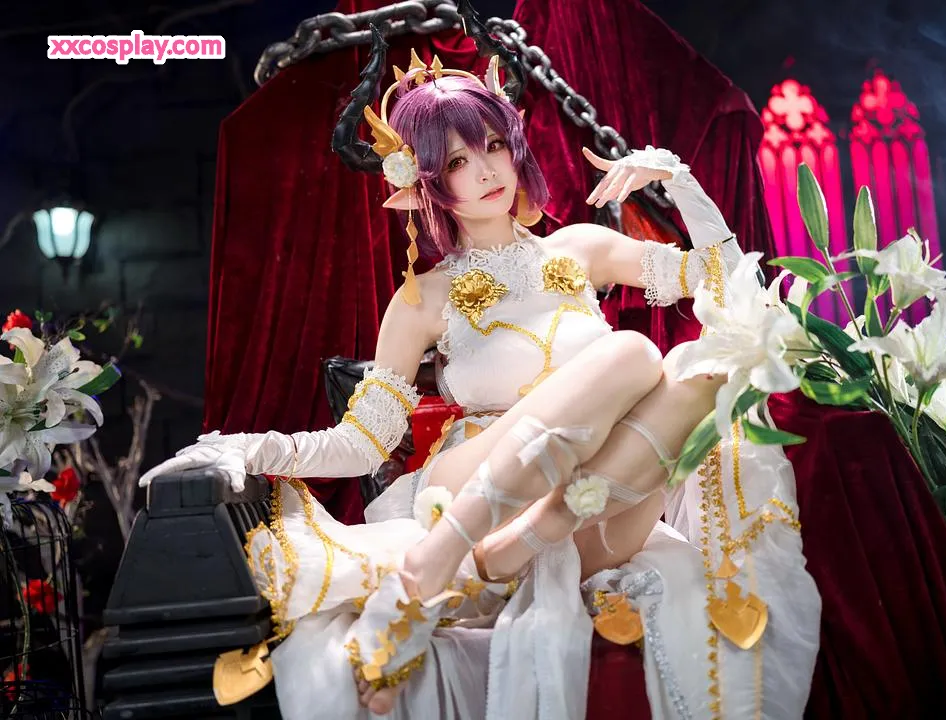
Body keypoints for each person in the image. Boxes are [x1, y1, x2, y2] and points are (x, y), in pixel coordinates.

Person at [140, 46, 820, 720]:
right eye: (456, 163)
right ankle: (446, 551)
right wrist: (249, 447)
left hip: (585, 509)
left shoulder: (580, 249)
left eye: (493, 146)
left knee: (701, 367)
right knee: (635, 354)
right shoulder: (422, 299)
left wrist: (678, 180)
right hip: (472, 486)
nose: (486, 170)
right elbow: (362, 443)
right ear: (427, 183)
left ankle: (505, 556)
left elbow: (734, 291)